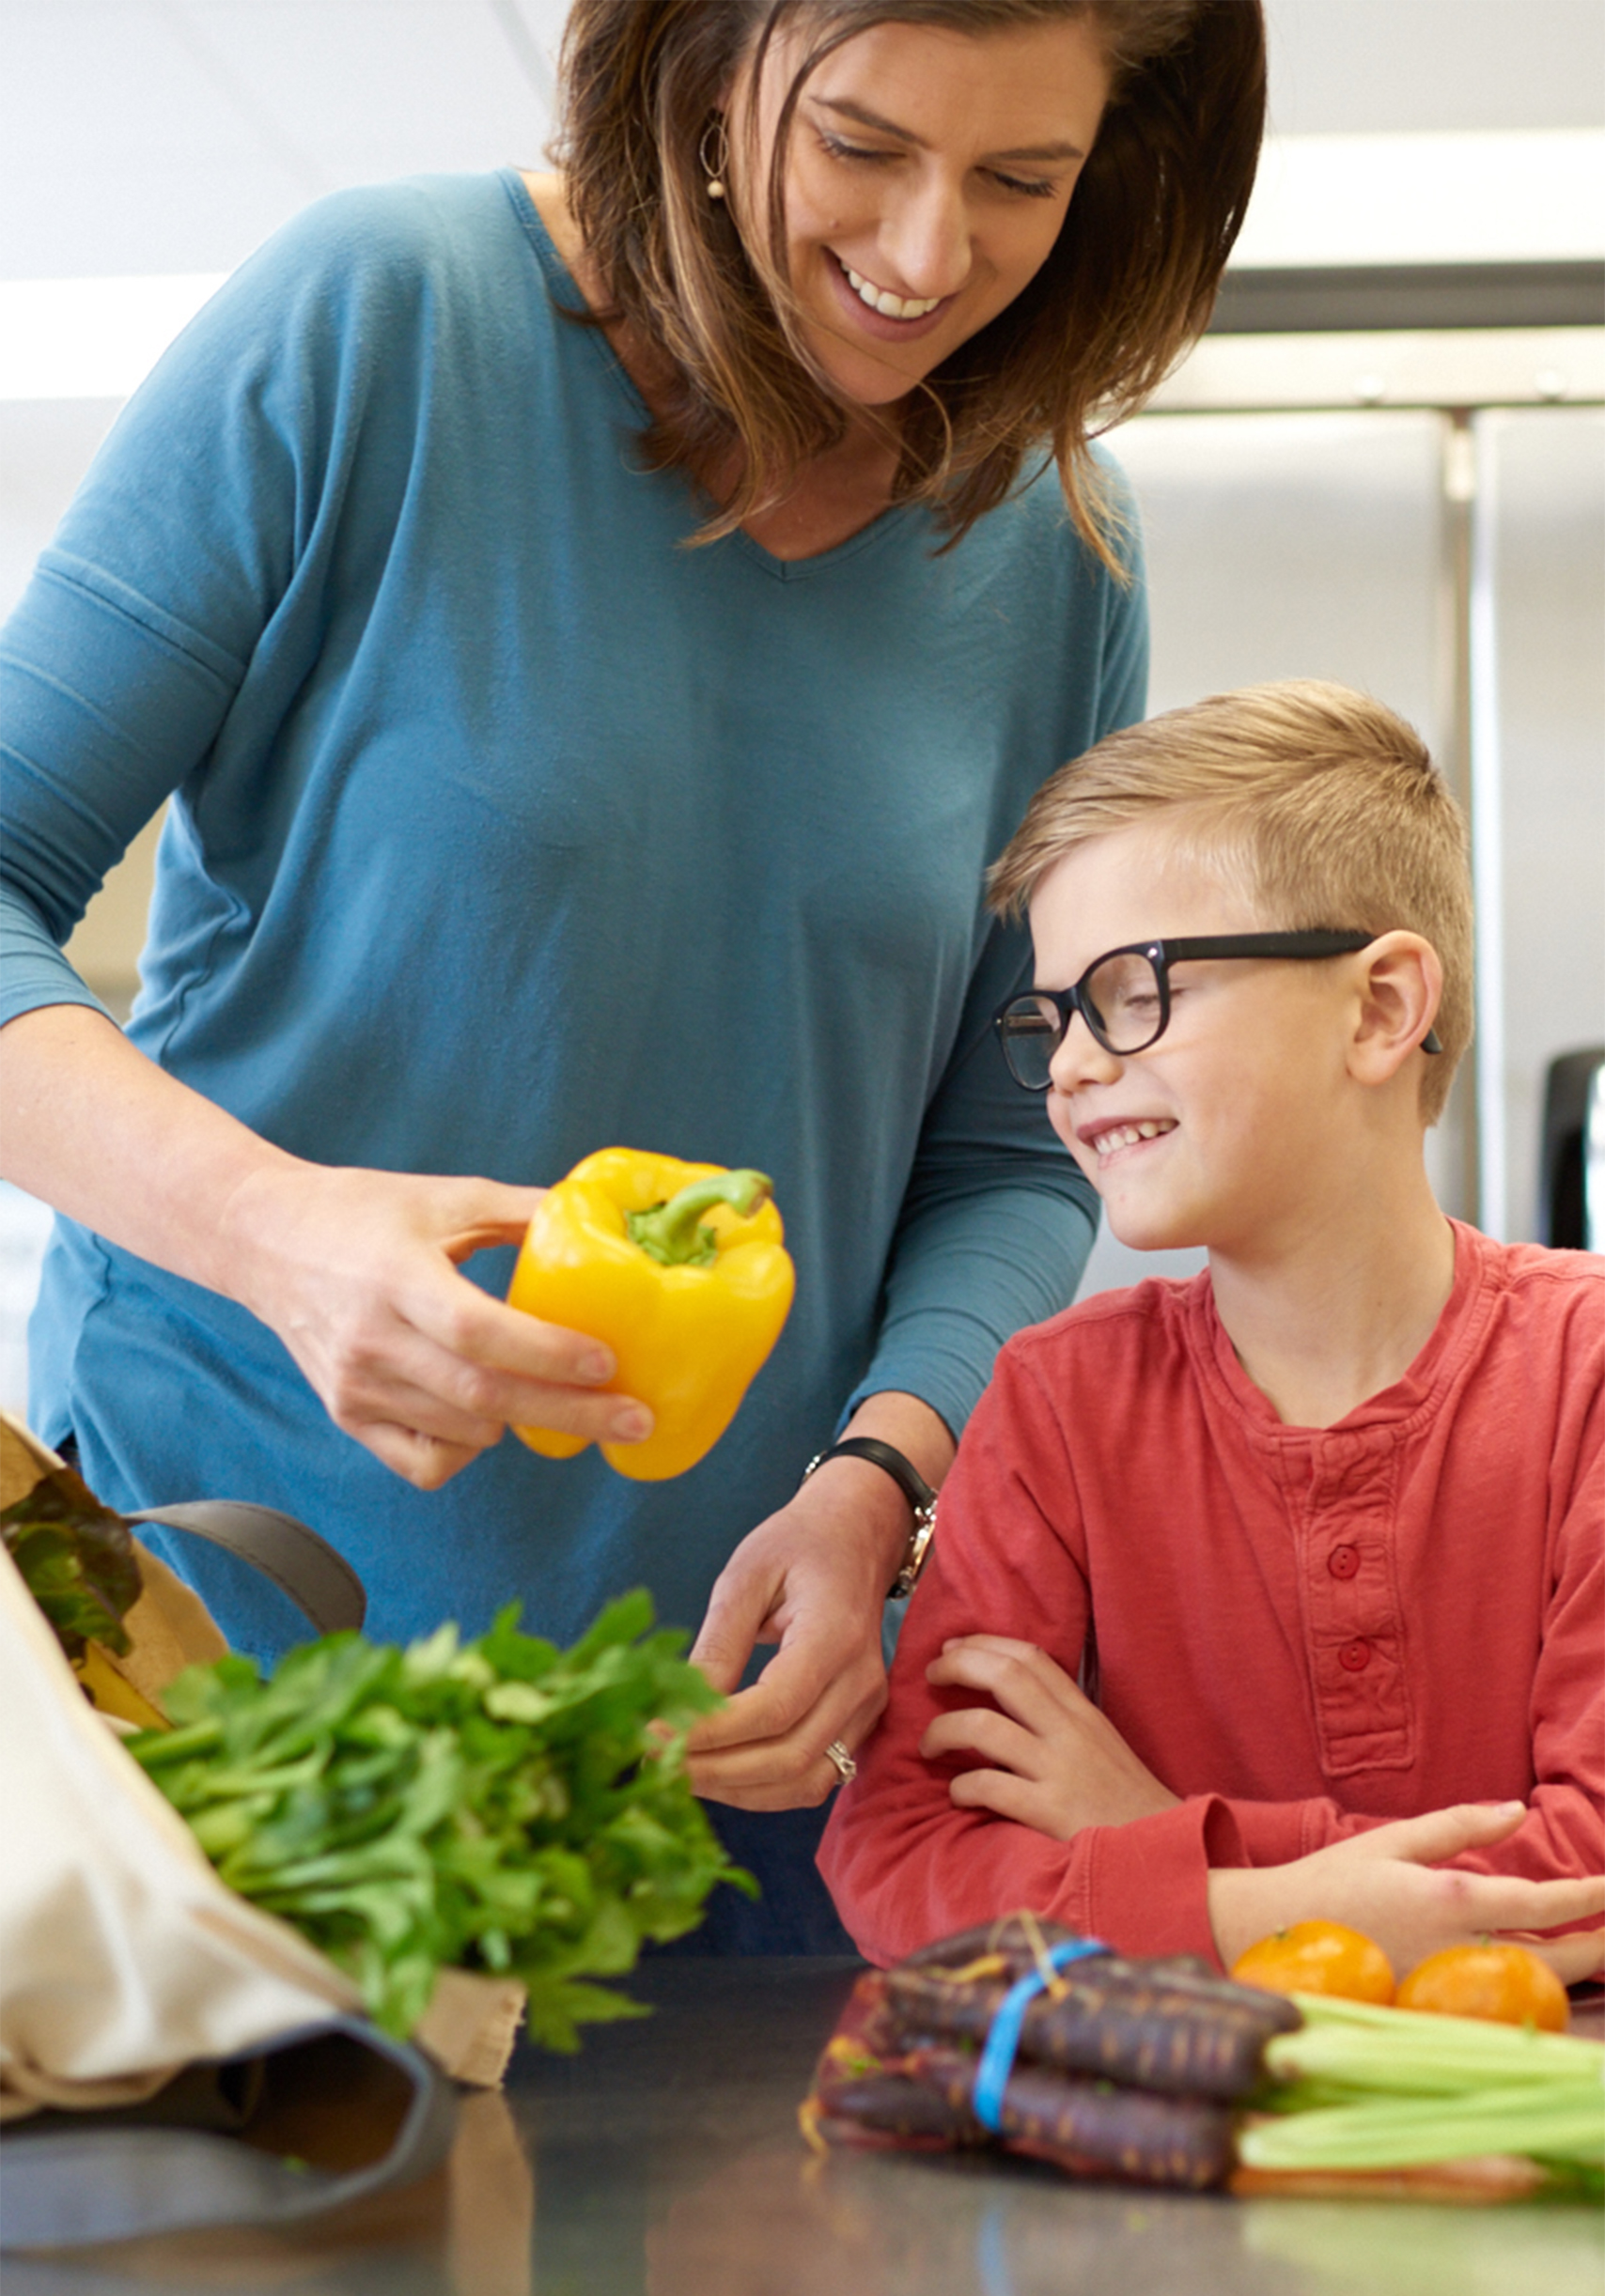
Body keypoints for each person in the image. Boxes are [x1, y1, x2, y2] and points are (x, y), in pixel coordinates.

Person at [0, 0, 1265, 1947]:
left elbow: (1010, 1151)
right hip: (234, 1679)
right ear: (695, 63)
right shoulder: (386, 320)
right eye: (856, 143)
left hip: (729, 1725)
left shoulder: (1053, 548)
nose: (927, 254)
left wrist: (879, 1478)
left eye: (1019, 180)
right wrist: (277, 1237)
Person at [820, 682, 1605, 1979]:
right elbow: (902, 1859)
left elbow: (1589, 1873)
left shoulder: (1583, 1372)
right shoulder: (1057, 1404)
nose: (1070, 1066)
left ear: (1377, 1009)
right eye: (1054, 1013)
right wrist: (1272, 1905)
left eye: (1133, 991)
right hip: (1148, 2169)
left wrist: (1170, 1841)